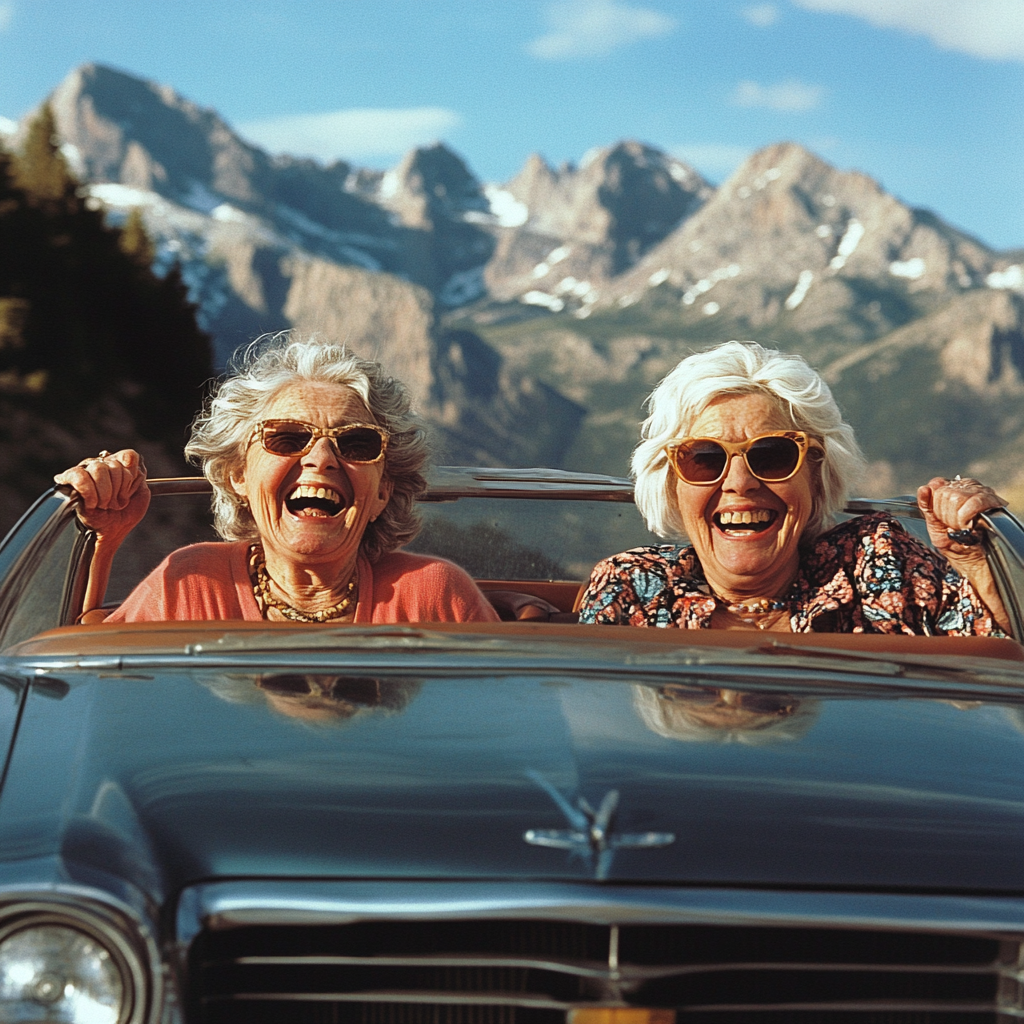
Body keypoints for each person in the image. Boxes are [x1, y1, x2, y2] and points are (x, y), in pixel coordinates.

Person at [55, 335, 499, 625]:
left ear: (382, 491)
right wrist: (101, 536)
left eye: (358, 444)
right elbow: (84, 685)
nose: (322, 459)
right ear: (239, 475)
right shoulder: (190, 586)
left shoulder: (435, 596)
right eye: (287, 437)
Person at [579, 341, 1010, 635]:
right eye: (704, 458)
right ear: (672, 483)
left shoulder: (883, 565)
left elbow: (995, 681)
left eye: (772, 455)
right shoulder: (631, 587)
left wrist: (975, 563)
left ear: (816, 473)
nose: (739, 483)